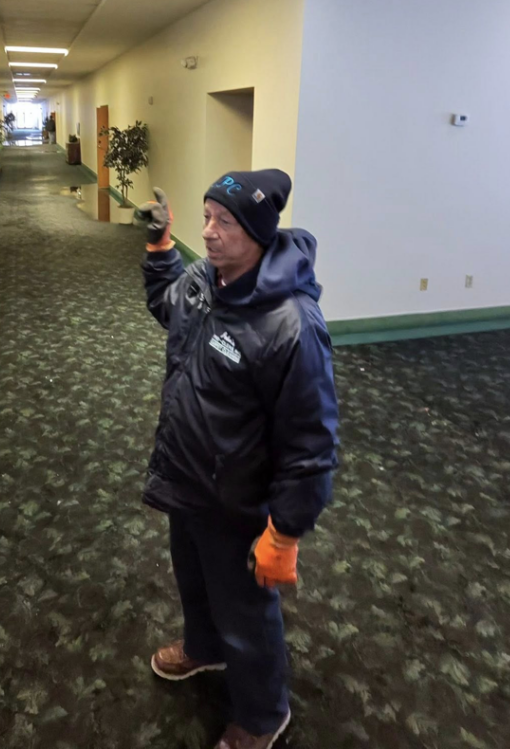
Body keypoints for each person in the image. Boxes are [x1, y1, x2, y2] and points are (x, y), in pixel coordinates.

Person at [136, 169, 340, 749]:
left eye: (224, 222)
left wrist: (285, 531)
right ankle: (204, 649)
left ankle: (262, 714)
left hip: (238, 500)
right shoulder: (204, 280)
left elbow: (312, 441)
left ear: (257, 232)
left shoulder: (291, 324)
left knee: (247, 613)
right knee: (194, 580)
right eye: (205, 218)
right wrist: (159, 247)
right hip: (187, 474)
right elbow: (167, 305)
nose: (209, 232)